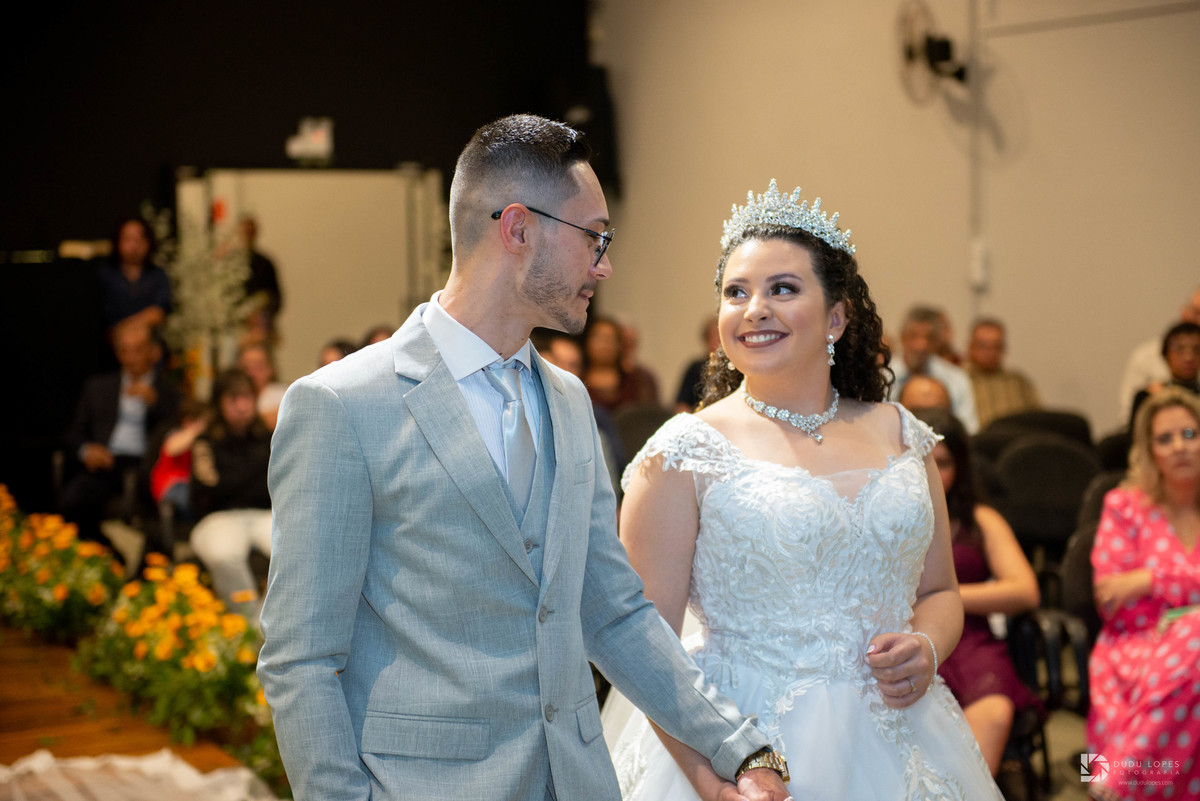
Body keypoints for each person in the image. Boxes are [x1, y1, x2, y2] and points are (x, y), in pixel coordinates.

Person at [257, 115, 788, 801]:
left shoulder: (569, 400)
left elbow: (613, 611)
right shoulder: (342, 405)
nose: (604, 265)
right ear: (518, 229)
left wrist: (739, 745)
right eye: (594, 237)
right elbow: (301, 659)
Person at [610, 180, 1001, 799]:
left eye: (783, 289)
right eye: (736, 292)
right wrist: (713, 781)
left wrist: (928, 645)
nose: (754, 309)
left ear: (836, 317)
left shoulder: (904, 435)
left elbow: (940, 591)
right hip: (741, 737)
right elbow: (645, 648)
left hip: (901, 734)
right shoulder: (682, 453)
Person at [913, 408, 1042, 775]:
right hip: (908, 639)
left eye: (943, 463)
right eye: (921, 461)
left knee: (994, 712)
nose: (931, 472)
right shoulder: (883, 518)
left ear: (961, 468)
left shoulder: (981, 520)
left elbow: (1025, 591)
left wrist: (944, 597)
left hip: (972, 644)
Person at [1087, 387, 1200, 800]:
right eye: (1165, 439)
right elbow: (1109, 598)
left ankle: (1117, 773)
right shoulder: (1124, 505)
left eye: (1190, 434)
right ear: (1149, 451)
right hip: (1133, 640)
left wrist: (1149, 580)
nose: (1179, 447)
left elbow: (1129, 586)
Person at [60, 321, 180, 553]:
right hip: (107, 461)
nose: (130, 358)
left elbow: (179, 432)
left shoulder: (168, 393)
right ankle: (110, 555)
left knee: (151, 519)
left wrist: (155, 403)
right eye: (124, 351)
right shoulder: (98, 388)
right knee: (72, 501)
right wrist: (87, 451)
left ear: (153, 352)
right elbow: (72, 436)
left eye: (138, 350)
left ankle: (145, 566)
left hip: (147, 467)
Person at [190, 368, 272, 619]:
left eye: (248, 397)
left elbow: (278, 485)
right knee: (223, 554)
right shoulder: (205, 441)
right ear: (219, 403)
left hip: (266, 514)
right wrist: (254, 474)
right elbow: (208, 488)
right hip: (218, 517)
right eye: (234, 399)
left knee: (301, 548)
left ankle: (272, 625)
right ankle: (249, 629)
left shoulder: (269, 438)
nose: (242, 406)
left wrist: (232, 479)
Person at [888, 305, 979, 434]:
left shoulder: (956, 379)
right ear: (902, 337)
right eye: (914, 336)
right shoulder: (882, 376)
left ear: (938, 342)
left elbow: (967, 430)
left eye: (929, 338)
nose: (921, 345)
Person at [1117, 286, 1200, 422]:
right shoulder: (1146, 357)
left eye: (1196, 350)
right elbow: (1128, 418)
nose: (1188, 357)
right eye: (1197, 312)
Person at [98, 217, 172, 335]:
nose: (134, 245)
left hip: (148, 339)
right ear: (118, 241)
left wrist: (130, 330)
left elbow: (159, 311)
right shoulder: (105, 274)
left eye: (139, 239)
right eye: (128, 239)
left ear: (148, 242)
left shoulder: (157, 275)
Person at [966, 317, 1041, 429]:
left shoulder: (1018, 382)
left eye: (996, 346)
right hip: (977, 438)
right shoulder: (959, 381)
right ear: (970, 347)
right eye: (983, 346)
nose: (990, 352)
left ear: (1004, 348)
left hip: (1017, 437)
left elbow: (1038, 418)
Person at [1127, 321, 1200, 431]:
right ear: (1166, 356)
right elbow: (1137, 436)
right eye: (1180, 349)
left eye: (1196, 349)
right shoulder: (1149, 396)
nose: (1188, 357)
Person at [584, 315, 659, 413]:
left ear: (620, 345)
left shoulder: (638, 381)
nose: (604, 345)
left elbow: (649, 414)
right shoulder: (577, 380)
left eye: (610, 339)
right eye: (599, 338)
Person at [237, 215, 283, 343]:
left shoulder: (265, 264)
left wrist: (261, 312)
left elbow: (276, 297)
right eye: (245, 231)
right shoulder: (232, 263)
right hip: (238, 328)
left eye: (250, 231)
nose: (248, 234)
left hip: (262, 327)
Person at [236, 342, 288, 431]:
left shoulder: (284, 395)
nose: (252, 373)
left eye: (258, 367)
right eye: (246, 368)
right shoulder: (233, 396)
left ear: (270, 369)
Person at [676, 315, 721, 413]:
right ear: (706, 340)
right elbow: (682, 405)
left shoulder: (737, 366)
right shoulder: (696, 368)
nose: (719, 342)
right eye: (715, 337)